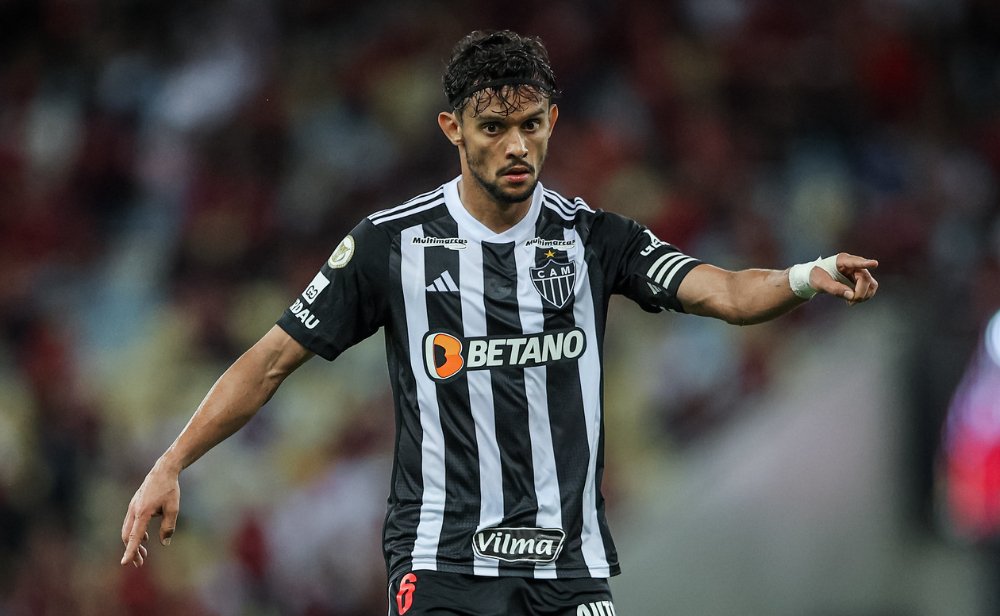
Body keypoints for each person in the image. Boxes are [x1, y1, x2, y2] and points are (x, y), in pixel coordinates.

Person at [121, 29, 879, 615]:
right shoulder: (393, 244)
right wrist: (172, 461)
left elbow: (724, 292)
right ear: (452, 128)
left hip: (566, 567)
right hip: (442, 561)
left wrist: (805, 276)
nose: (516, 146)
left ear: (552, 119)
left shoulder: (594, 237)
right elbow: (271, 360)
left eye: (529, 125)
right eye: (492, 127)